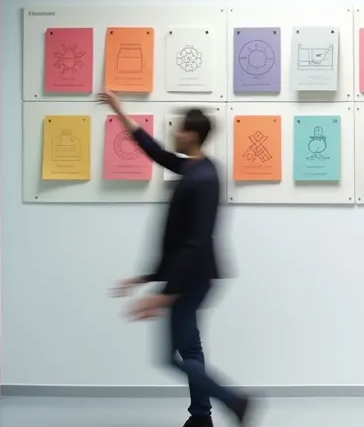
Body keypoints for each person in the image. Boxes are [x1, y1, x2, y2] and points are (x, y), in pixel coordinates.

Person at [100, 89, 253, 427]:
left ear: (192, 134)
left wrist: (165, 293)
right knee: (190, 350)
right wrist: (119, 109)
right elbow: (155, 152)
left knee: (169, 357)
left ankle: (233, 400)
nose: (173, 132)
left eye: (179, 128)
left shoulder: (203, 179)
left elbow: (196, 242)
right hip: (193, 275)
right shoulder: (196, 168)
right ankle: (201, 416)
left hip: (193, 276)